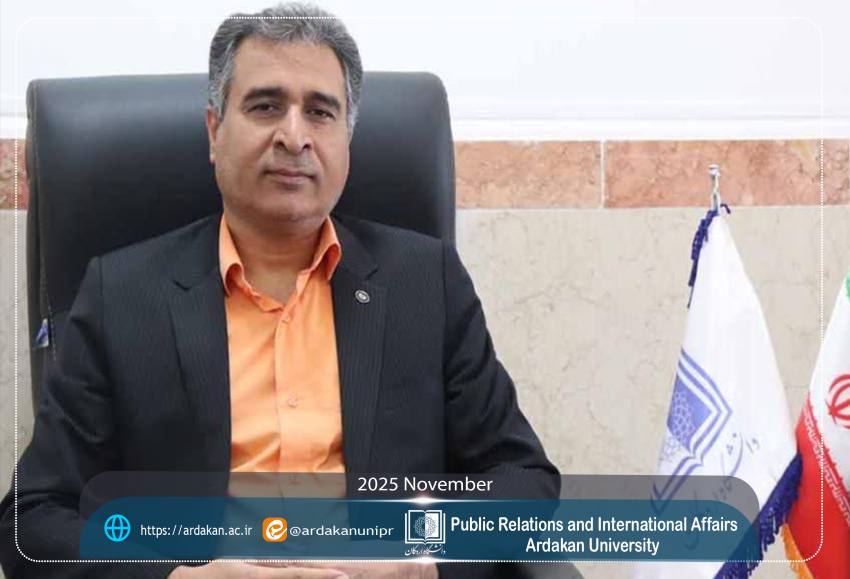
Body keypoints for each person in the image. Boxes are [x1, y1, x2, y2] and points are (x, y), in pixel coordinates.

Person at [0, 3, 559, 578]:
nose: (294, 136)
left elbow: (522, 481)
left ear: (347, 140)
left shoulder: (424, 282)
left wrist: (419, 559)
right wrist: (175, 576)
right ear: (214, 130)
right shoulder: (122, 295)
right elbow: (31, 521)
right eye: (266, 106)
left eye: (320, 112)